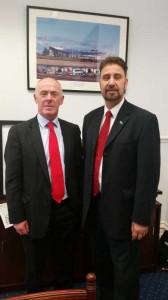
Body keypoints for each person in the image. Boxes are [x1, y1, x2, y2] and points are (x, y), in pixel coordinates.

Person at [82, 56, 160, 300]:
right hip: (95, 213)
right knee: (102, 273)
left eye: (117, 77)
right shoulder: (90, 119)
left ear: (126, 82)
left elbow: (148, 174)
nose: (111, 82)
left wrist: (141, 218)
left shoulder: (144, 120)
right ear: (99, 83)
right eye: (106, 77)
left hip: (126, 217)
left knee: (125, 279)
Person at [5, 77, 83, 293]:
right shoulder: (19, 133)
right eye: (44, 93)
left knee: (66, 269)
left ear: (62, 99)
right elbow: (12, 180)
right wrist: (17, 217)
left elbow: (78, 171)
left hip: (67, 213)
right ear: (36, 98)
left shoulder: (73, 131)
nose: (49, 98)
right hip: (32, 215)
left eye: (54, 94)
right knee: (35, 272)